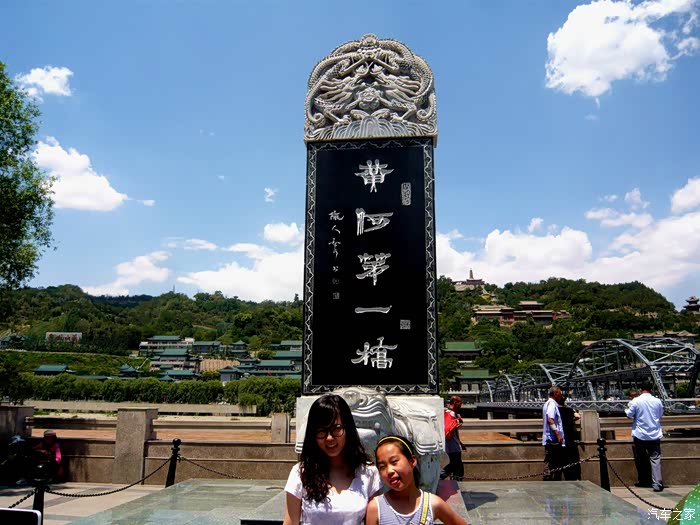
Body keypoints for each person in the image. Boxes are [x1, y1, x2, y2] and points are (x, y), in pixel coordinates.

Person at [283, 394, 383, 525]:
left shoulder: (368, 473)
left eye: (336, 429)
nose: (329, 438)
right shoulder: (301, 473)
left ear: (347, 428)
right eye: (321, 431)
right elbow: (290, 522)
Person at [366, 435, 469, 525]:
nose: (389, 471)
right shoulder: (376, 508)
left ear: (412, 461)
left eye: (394, 462)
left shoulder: (432, 504)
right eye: (382, 466)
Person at [625, 380, 664, 492]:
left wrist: (626, 409)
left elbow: (629, 414)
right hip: (655, 434)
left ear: (640, 389)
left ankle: (644, 481)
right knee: (655, 459)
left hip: (640, 434)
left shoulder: (636, 401)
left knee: (641, 458)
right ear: (651, 389)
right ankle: (657, 483)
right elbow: (660, 414)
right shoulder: (657, 401)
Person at [542, 385, 565, 481]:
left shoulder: (547, 403)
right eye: (560, 393)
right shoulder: (552, 404)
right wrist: (558, 434)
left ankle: (549, 479)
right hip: (553, 439)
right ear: (555, 393)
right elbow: (550, 420)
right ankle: (552, 481)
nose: (561, 395)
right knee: (554, 462)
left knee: (549, 461)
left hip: (548, 438)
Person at [556, 394, 581, 480]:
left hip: (558, 439)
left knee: (557, 465)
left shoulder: (555, 411)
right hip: (569, 440)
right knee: (570, 465)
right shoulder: (569, 410)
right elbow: (578, 416)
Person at [440, 396, 465, 481]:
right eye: (459, 403)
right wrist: (459, 422)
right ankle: (439, 476)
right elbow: (449, 428)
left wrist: (460, 443)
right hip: (452, 445)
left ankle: (456, 481)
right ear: (454, 402)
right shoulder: (451, 414)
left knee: (457, 465)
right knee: (455, 464)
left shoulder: (446, 413)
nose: (460, 405)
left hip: (452, 444)